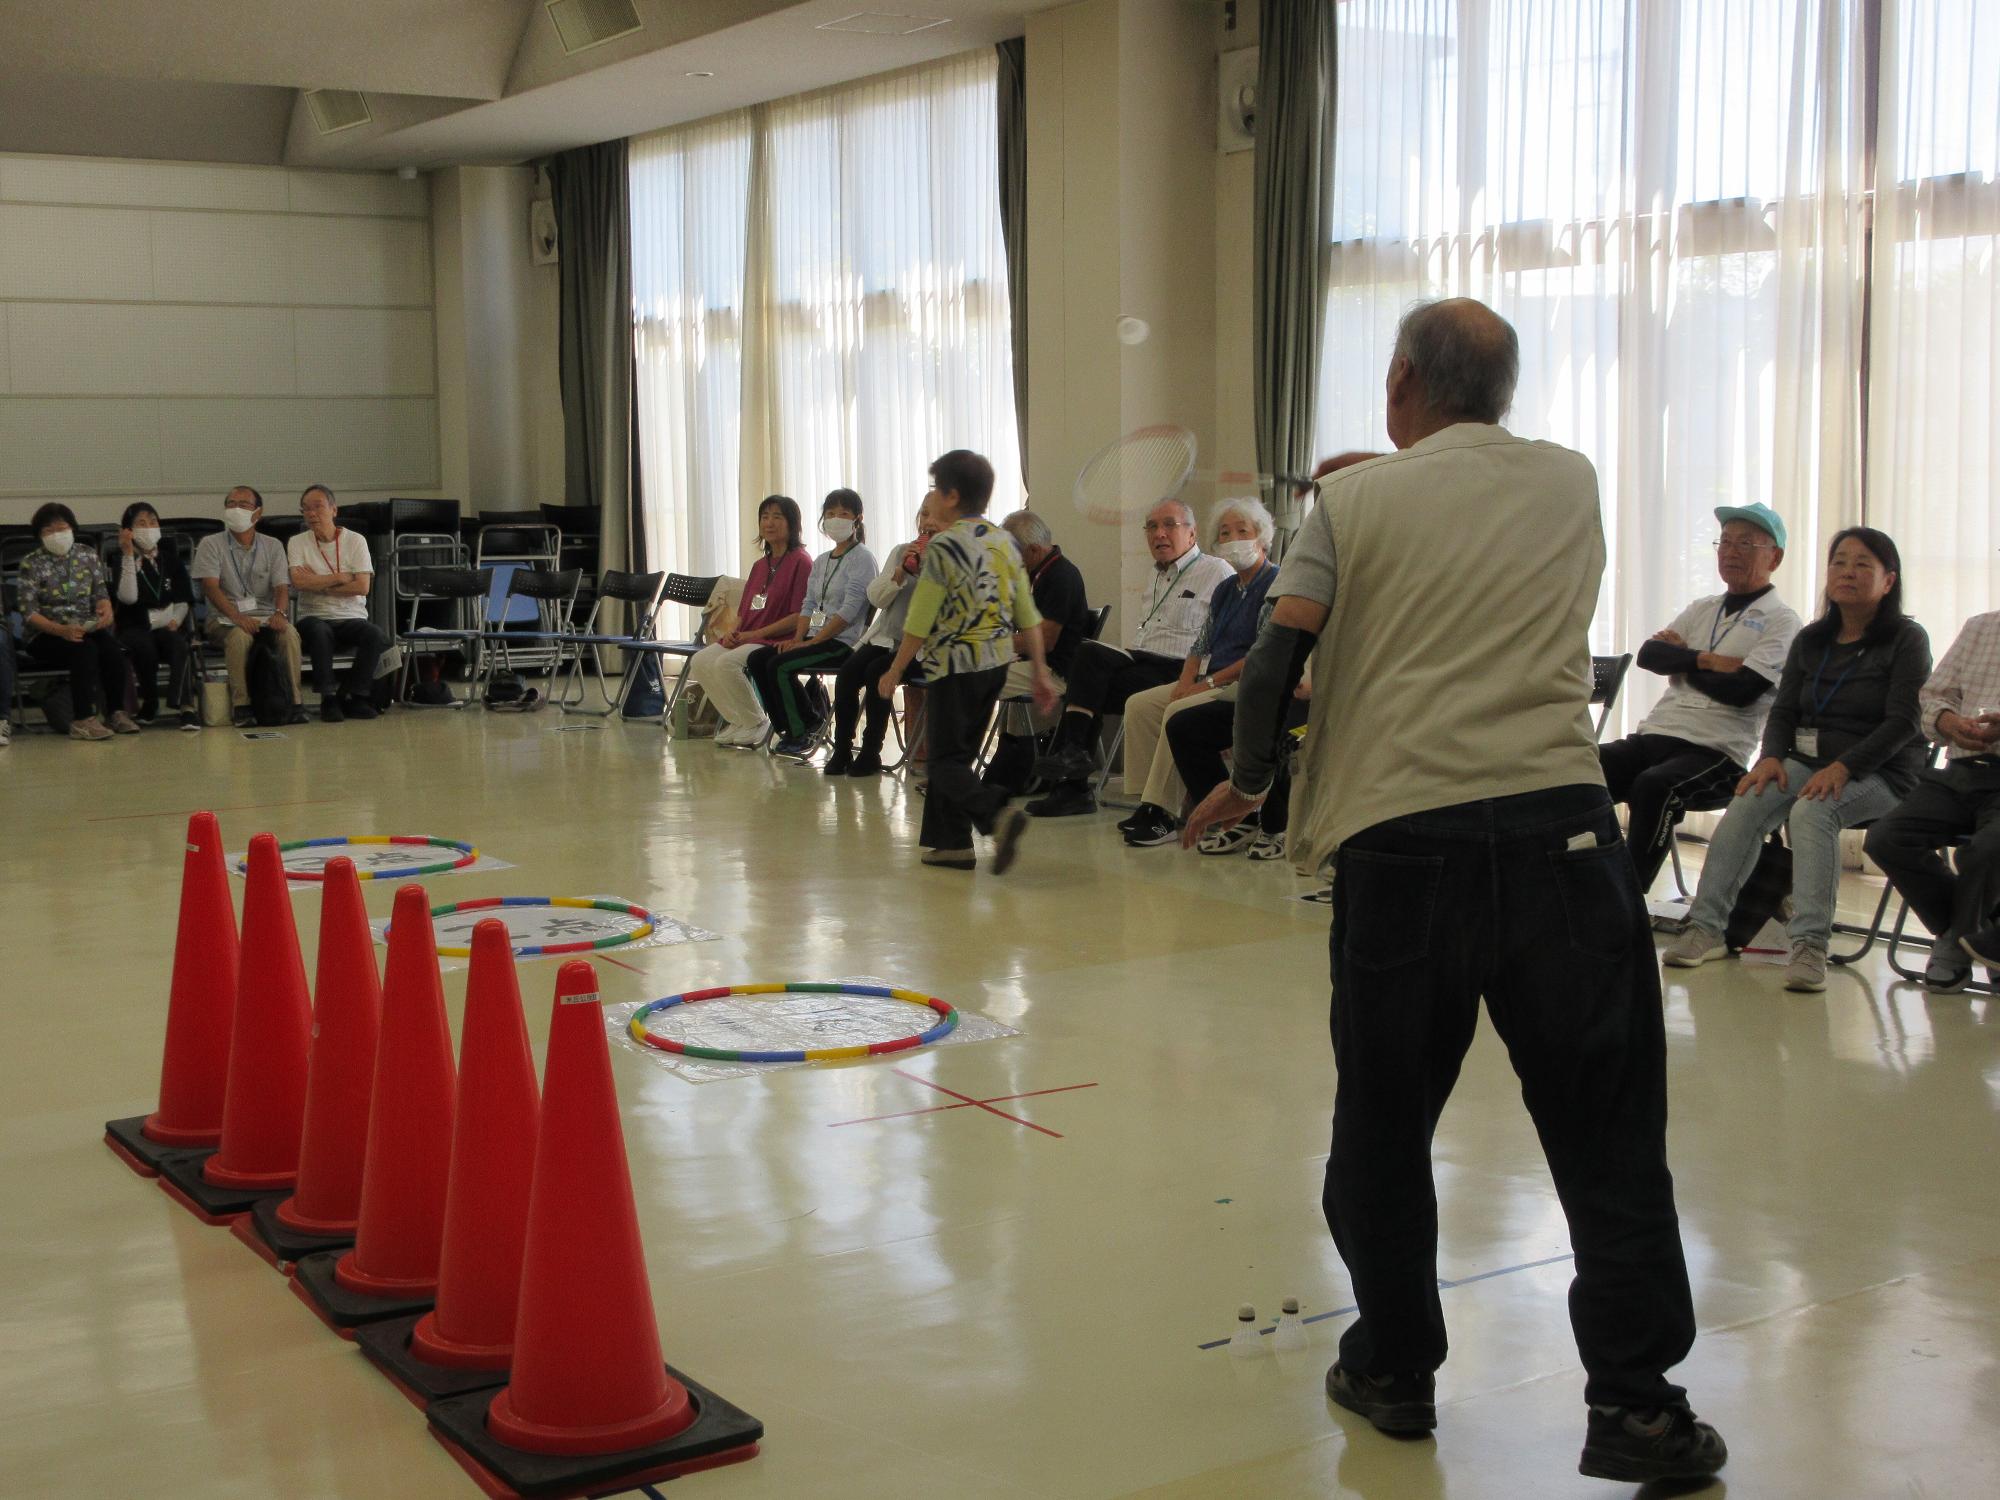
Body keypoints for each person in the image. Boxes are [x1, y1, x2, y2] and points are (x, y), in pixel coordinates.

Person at [1181, 299, 1725, 1484]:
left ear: (1398, 382)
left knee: (1382, 1127)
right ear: (1503, 390)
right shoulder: (1571, 478)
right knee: (1609, 1138)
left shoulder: (1353, 500)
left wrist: (1248, 778)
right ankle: (1634, 1409)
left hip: (1402, 847)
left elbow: (1277, 652)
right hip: (1565, 844)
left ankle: (1393, 1369)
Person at [1663, 528, 1930, 991]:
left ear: (1889, 581)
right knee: (1748, 798)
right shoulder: (1812, 639)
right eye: (1839, 562)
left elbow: (1904, 722)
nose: (1847, 572)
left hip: (1882, 771)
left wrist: (1845, 767)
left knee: (1814, 812)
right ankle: (1706, 928)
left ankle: (1809, 946)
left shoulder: (1907, 639)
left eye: (1863, 564)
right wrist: (1770, 758)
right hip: (1809, 762)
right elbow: (1784, 710)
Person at [1598, 505, 1802, 892]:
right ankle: (1576, 881)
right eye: (1724, 542)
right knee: (1578, 767)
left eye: (1746, 543)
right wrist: (1709, 660)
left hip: (1715, 752)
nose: (1731, 551)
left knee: (1655, 787)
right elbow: (1649, 656)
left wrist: (1683, 662)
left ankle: (1624, 898)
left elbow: (1742, 690)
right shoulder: (1702, 609)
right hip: (1655, 735)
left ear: (1774, 557)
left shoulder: (1783, 621)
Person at [877, 449, 1057, 873]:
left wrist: (895, 668)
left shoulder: (944, 546)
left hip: (954, 666)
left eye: (936, 490)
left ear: (952, 495)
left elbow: (920, 620)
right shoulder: (1004, 542)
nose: (932, 499)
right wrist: (1040, 672)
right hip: (994, 665)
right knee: (960, 752)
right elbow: (1027, 611)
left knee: (944, 761)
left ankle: (996, 815)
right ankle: (951, 844)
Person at [1026, 498, 1233, 816]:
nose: (1159, 533)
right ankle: (1075, 759)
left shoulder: (1215, 571)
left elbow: (1226, 634)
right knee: (1087, 656)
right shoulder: (1156, 574)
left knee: (1087, 687)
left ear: (1192, 534)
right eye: (1151, 526)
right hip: (1142, 658)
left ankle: (1074, 784)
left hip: (1182, 668)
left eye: (1169, 525)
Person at [1116, 497, 1280, 847]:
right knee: (1141, 705)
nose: (1232, 538)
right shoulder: (1225, 589)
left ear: (1261, 537)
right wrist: (1185, 681)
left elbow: (1260, 655)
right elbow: (1200, 645)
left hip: (1242, 684)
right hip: (1211, 677)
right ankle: (1149, 803)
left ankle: (1164, 811)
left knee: (1179, 709)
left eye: (1241, 531)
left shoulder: (1274, 584)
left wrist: (1201, 684)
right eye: (1224, 532)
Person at [1860, 608, 2000, 989]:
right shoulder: (1981, 626)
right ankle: (1981, 933)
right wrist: (1948, 723)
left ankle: (1955, 944)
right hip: (1962, 770)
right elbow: (1934, 696)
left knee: (1988, 849)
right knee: (1885, 838)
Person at [745, 489, 879, 759]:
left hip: (842, 642)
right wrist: (798, 639)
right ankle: (793, 724)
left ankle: (801, 731)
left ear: (857, 519)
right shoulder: (821, 561)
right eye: (830, 514)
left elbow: (849, 612)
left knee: (780, 665)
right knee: (759, 658)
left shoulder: (862, 558)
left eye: (843, 514)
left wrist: (815, 641)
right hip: (815, 637)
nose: (835, 519)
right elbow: (808, 605)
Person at [981, 509, 1093, 796]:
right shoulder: (1034, 573)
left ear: (1032, 550)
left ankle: (953, 769)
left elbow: (1044, 639)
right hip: (1030, 663)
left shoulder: (1061, 575)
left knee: (970, 680)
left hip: (1054, 671)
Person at [827, 498, 941, 776]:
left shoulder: (951, 561)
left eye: (934, 516)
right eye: (923, 514)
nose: (927, 522)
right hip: (887, 637)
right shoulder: (902, 551)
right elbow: (875, 597)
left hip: (924, 648)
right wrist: (900, 572)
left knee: (878, 673)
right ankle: (842, 748)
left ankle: (871, 751)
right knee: (848, 674)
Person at [689, 495, 811, 746]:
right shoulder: (759, 565)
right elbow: (745, 612)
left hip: (774, 638)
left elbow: (798, 616)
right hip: (748, 636)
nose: (769, 523)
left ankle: (756, 721)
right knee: (700, 660)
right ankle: (739, 720)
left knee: (726, 663)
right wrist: (734, 632)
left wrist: (753, 635)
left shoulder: (801, 561)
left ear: (792, 523)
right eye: (765, 517)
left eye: (777, 516)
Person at [18, 503, 138, 741]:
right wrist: (61, 630)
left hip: (86, 628)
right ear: (39, 536)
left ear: (72, 528)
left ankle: (116, 712)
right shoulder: (31, 564)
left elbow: (101, 595)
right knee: (85, 650)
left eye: (61, 528)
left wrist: (106, 611)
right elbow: (29, 613)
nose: (57, 535)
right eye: (48, 531)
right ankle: (83, 719)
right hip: (46, 635)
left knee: (113, 650)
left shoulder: (87, 555)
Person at [192, 486, 303, 726]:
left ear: (257, 513)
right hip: (224, 619)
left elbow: (282, 587)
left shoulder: (272, 545)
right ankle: (242, 706)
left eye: (243, 504)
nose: (235, 509)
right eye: (231, 504)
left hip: (265, 615)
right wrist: (236, 617)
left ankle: (294, 702)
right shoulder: (210, 544)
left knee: (289, 634)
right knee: (240, 637)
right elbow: (211, 587)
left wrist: (281, 613)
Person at [1164, 678, 1308, 860]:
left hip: (1317, 694)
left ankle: (1277, 825)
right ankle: (1239, 816)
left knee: (1273, 731)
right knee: (1183, 726)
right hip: (1272, 689)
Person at [286, 484, 389, 722]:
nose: (311, 514)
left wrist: (318, 582)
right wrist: (340, 578)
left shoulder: (356, 541)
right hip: (313, 617)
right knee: (320, 631)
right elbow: (299, 582)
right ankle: (329, 698)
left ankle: (356, 696)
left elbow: (362, 587)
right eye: (305, 509)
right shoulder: (297, 542)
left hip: (351, 617)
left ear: (334, 510)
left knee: (374, 634)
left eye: (317, 507)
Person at [111, 504, 201, 730]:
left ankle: (186, 707)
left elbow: (183, 598)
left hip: (167, 624)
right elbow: (128, 597)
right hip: (135, 625)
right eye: (141, 524)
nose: (149, 528)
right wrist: (129, 555)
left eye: (153, 522)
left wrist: (177, 620)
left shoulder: (171, 559)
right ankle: (150, 703)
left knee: (180, 644)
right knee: (144, 647)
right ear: (127, 530)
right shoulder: (120, 559)